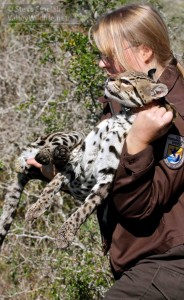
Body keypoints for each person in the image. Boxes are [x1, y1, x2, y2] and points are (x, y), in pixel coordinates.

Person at [27, 4, 184, 299]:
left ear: (145, 51)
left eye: (108, 55)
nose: (101, 63)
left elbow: (140, 209)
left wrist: (137, 144)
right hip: (144, 266)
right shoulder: (126, 103)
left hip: (168, 267)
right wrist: (49, 170)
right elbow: (106, 181)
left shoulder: (173, 116)